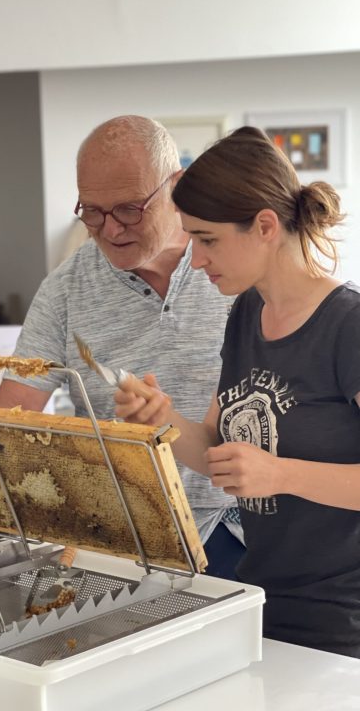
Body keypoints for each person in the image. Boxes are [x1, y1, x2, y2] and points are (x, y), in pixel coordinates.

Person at [115, 125, 360, 658]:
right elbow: (220, 456)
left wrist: (281, 474)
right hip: (263, 602)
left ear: (265, 226)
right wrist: (159, 421)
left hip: (343, 625)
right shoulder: (246, 314)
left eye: (207, 239)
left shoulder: (349, 326)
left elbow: (267, 470)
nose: (195, 260)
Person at [0, 115, 244, 578]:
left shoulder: (235, 268)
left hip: (241, 528)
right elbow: (11, 421)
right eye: (91, 212)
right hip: (128, 540)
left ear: (177, 186)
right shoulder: (66, 290)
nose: (110, 230)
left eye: (130, 209)